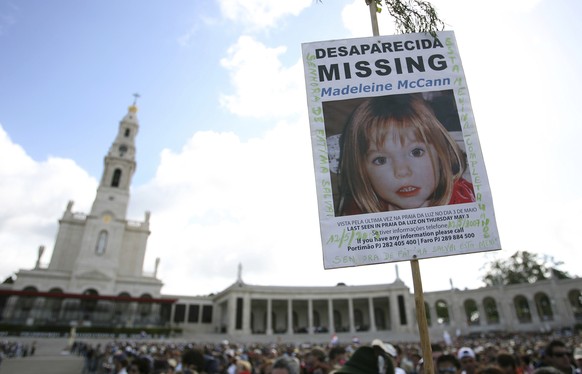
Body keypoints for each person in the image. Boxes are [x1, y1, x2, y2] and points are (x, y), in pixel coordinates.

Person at [338, 93, 474, 215]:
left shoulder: (468, 202)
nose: (402, 171)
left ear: (441, 154)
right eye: (380, 160)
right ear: (361, 172)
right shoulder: (356, 217)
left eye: (416, 152)